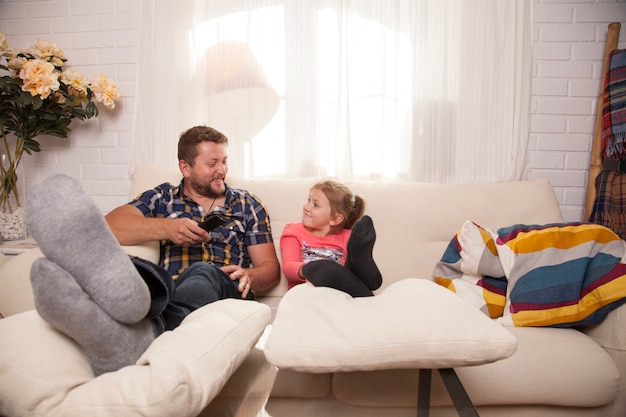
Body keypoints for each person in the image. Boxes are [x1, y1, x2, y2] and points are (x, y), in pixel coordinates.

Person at [27, 125, 280, 376]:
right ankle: (111, 313)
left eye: (224, 161)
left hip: (227, 289)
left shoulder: (247, 204)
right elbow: (110, 226)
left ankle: (145, 334)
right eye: (212, 163)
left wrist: (249, 275)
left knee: (202, 272)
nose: (222, 170)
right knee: (143, 274)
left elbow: (270, 269)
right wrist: (166, 229)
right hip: (169, 290)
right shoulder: (163, 197)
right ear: (185, 167)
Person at [280, 179, 382, 297]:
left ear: (336, 219)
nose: (306, 207)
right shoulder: (293, 231)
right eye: (308, 200)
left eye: (315, 205)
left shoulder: (349, 237)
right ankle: (363, 289)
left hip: (338, 294)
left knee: (350, 273)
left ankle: (365, 268)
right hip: (305, 294)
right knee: (334, 274)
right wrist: (313, 270)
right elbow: (288, 268)